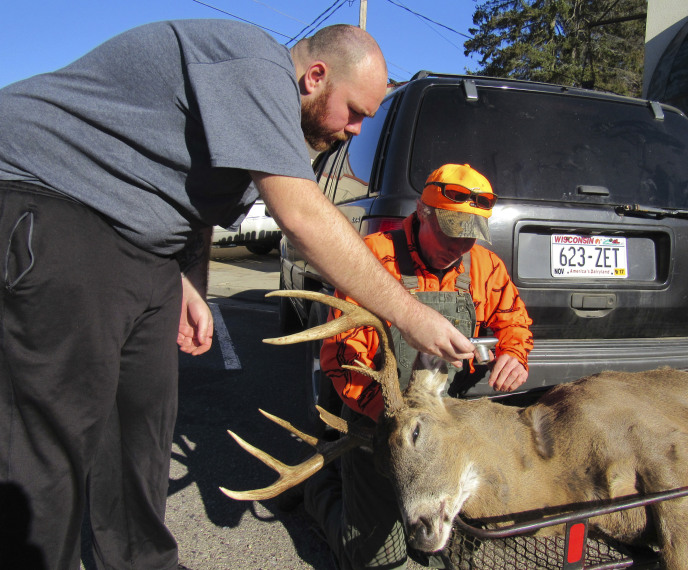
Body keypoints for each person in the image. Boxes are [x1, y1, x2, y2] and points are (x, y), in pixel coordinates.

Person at [0, 21, 476, 570]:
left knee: (143, 422)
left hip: (143, 247)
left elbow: (194, 203)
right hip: (57, 202)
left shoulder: (258, 121)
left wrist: (191, 286)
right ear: (314, 76)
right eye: (355, 111)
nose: (356, 129)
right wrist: (409, 313)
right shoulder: (255, 66)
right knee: (54, 432)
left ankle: (139, 560)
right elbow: (298, 213)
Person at [305, 163, 533, 569]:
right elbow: (341, 355)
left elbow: (513, 319)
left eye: (469, 237)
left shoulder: (484, 267)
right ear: (422, 212)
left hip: (444, 425)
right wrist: (393, 422)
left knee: (456, 549)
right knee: (377, 560)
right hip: (378, 419)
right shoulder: (372, 257)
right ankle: (321, 491)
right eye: (449, 232)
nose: (458, 246)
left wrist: (514, 353)